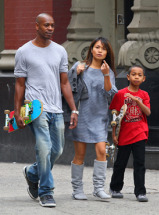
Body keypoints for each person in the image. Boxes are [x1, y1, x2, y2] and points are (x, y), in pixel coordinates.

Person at [14, 13, 78, 207]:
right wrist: (18, 111)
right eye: (46, 25)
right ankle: (46, 191)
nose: (50, 28)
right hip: (35, 107)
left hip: (56, 108)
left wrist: (74, 110)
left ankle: (32, 173)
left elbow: (65, 82)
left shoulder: (60, 51)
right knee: (43, 147)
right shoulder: (23, 51)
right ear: (37, 26)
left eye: (52, 25)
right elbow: (19, 84)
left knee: (57, 150)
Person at [70, 37, 117, 200]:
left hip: (99, 116)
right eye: (97, 47)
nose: (99, 51)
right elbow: (67, 88)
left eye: (103, 49)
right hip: (81, 115)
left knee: (102, 150)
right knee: (80, 154)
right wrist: (75, 73)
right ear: (91, 49)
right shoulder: (79, 66)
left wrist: (105, 76)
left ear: (106, 53)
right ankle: (77, 189)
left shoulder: (108, 71)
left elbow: (111, 95)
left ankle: (98, 188)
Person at [109, 65, 151, 202]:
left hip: (140, 133)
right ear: (128, 77)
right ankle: (115, 188)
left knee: (140, 163)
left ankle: (140, 192)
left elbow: (148, 112)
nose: (136, 77)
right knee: (120, 163)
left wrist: (138, 101)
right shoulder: (120, 94)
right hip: (124, 134)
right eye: (134, 74)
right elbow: (115, 116)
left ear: (143, 78)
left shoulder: (144, 95)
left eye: (139, 75)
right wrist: (114, 135)